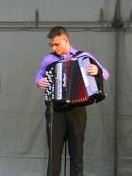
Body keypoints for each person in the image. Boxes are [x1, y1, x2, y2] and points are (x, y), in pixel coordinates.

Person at [35, 26, 109, 176]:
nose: (54, 48)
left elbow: (105, 74)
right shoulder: (49, 59)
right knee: (54, 156)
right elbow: (39, 76)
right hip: (55, 111)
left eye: (56, 44)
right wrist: (39, 82)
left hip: (77, 111)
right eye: (51, 45)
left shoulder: (84, 56)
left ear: (65, 40)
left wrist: (97, 71)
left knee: (77, 155)